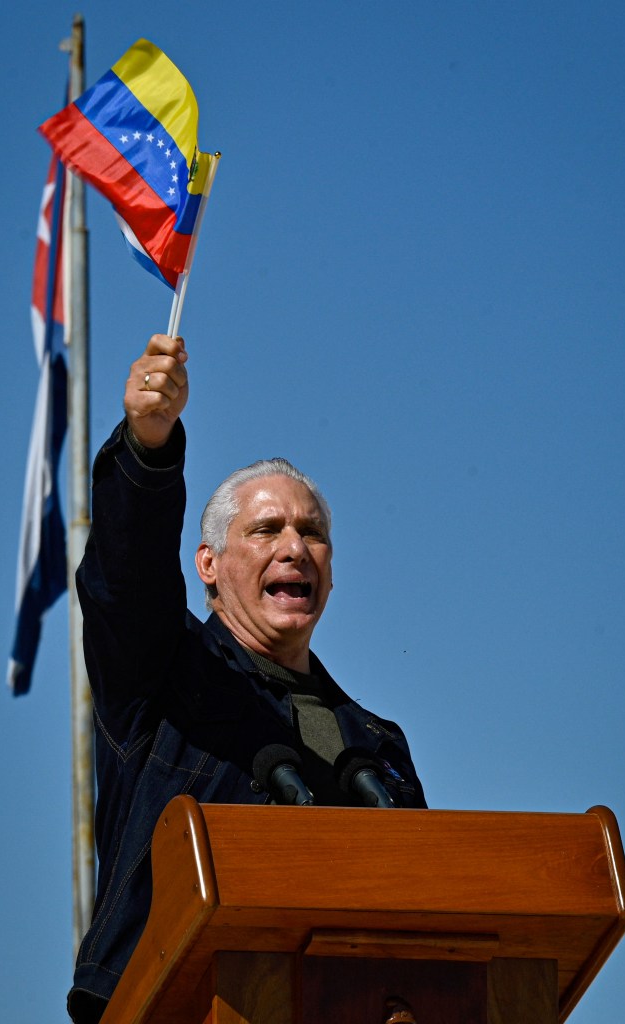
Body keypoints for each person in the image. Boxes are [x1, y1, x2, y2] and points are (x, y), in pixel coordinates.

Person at [67, 334, 426, 1023]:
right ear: (208, 564)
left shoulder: (378, 752)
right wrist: (148, 445)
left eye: (312, 532)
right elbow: (126, 578)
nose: (296, 546)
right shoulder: (164, 681)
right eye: (266, 530)